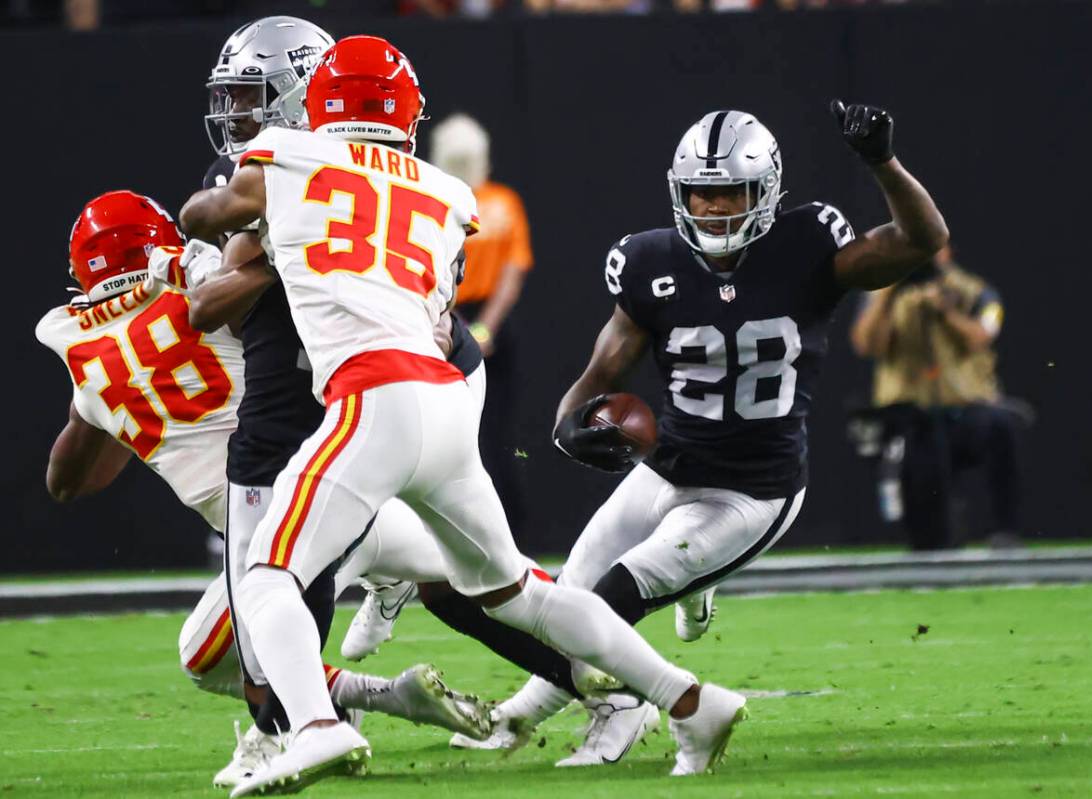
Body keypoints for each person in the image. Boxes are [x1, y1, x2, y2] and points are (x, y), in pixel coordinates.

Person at [182, 34, 748, 795]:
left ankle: (314, 727)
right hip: (446, 400)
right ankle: (690, 697)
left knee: (266, 575)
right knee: (520, 592)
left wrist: (258, 225)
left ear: (315, 103)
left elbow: (198, 213)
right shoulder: (448, 193)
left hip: (371, 396)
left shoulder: (287, 158)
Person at [466, 102, 949, 765]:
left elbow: (922, 240)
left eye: (731, 192)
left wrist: (882, 162)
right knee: (565, 600)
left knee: (611, 601)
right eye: (702, 191)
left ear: (767, 191)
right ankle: (530, 712)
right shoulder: (651, 262)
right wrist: (567, 423)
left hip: (751, 489)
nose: (716, 206)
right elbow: (601, 370)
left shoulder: (807, 246)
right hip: (668, 465)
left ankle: (609, 713)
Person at [35, 190, 492, 789]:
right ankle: (386, 694)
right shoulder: (199, 293)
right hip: (336, 477)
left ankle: (293, 728)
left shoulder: (81, 347)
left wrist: (104, 403)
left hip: (292, 505)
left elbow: (66, 483)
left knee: (223, 659)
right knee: (490, 578)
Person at [849, 245, 1021, 549]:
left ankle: (1003, 531)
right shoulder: (884, 294)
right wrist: (889, 294)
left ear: (946, 252)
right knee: (921, 488)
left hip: (966, 407)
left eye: (929, 250)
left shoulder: (973, 290)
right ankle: (927, 542)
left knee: (1001, 426)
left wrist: (948, 312)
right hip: (912, 412)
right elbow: (866, 345)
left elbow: (982, 336)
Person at [429, 113, 534, 539]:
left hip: (446, 319)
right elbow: (513, 273)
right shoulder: (502, 203)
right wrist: (484, 330)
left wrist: (462, 328)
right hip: (472, 322)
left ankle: (488, 537)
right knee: (487, 437)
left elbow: (433, 270)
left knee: (472, 438)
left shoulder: (436, 200)